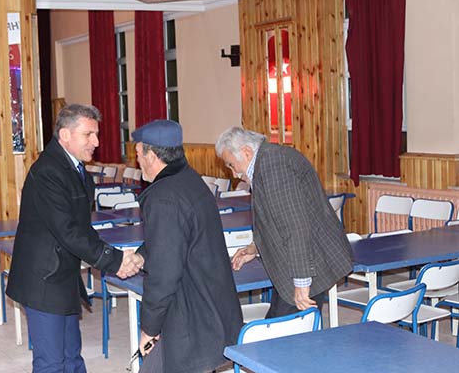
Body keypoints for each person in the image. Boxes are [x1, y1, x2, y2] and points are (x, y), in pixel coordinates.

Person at [5, 104, 142, 373]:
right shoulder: (48, 172)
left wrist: (114, 257)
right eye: (88, 134)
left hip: (62, 275)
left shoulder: (76, 169)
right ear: (65, 135)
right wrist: (115, 260)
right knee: (52, 364)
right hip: (44, 280)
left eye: (96, 134)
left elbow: (82, 230)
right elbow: (67, 231)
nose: (96, 142)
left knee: (72, 359)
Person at [130, 120, 243, 373]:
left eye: (138, 154)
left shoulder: (162, 197)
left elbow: (164, 273)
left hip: (191, 313)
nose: (137, 161)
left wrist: (149, 327)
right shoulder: (190, 180)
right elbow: (179, 234)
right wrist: (142, 255)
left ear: (152, 155)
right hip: (213, 303)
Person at [215, 127, 353, 317]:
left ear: (246, 152)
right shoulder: (269, 160)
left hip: (307, 264)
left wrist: (302, 282)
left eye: (231, 165)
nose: (233, 173)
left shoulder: (273, 165)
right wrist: (254, 248)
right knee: (285, 328)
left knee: (282, 331)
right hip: (299, 263)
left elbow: (295, 226)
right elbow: (275, 220)